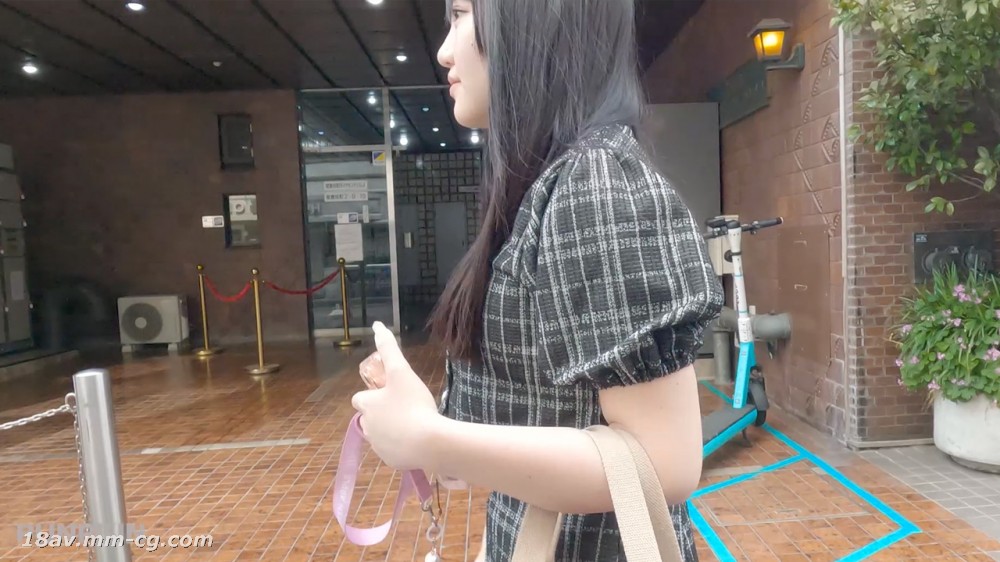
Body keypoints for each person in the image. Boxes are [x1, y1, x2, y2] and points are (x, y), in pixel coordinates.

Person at [350, 0, 725, 560]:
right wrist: (433, 428)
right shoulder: (548, 178)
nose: (444, 51)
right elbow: (554, 416)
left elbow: (664, 463)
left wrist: (430, 439)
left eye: (460, 14)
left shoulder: (595, 183)